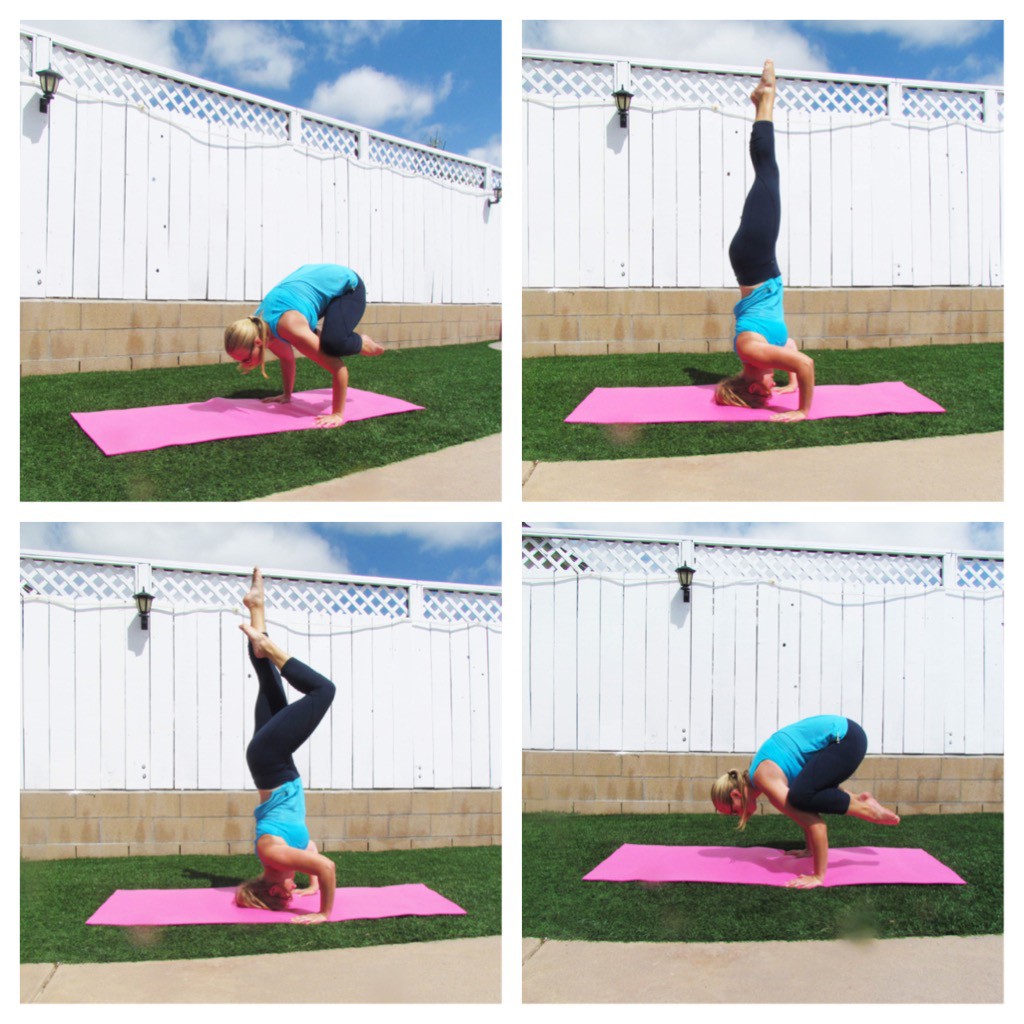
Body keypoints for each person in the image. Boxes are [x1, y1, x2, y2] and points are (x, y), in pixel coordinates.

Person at [234, 568, 338, 924]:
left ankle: (267, 644)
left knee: (324, 691)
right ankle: (256, 608)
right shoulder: (284, 855)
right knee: (270, 683)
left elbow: (326, 866)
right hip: (270, 763)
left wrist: (323, 912)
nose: (294, 896)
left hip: (272, 761)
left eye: (286, 896)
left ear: (276, 889)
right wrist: (310, 885)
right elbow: (312, 854)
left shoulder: (274, 853)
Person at [714, 60, 815, 423]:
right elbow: (795, 354)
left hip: (755, 259)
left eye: (765, 393)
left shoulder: (754, 350)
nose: (773, 393)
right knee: (767, 177)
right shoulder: (764, 353)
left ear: (754, 386)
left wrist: (802, 409)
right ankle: (762, 103)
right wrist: (789, 383)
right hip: (755, 260)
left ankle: (766, 99)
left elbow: (803, 364)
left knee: (768, 174)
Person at [710, 714, 900, 888]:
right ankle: (860, 800)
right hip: (846, 737)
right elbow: (803, 808)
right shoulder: (761, 771)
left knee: (800, 796)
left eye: (733, 811)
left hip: (846, 739)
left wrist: (818, 876)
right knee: (801, 796)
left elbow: (816, 824)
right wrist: (809, 850)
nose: (738, 815)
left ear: (736, 795)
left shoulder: (762, 777)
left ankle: (865, 809)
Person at [224, 264, 385, 429]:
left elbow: (339, 368)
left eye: (246, 359)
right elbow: (287, 359)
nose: (244, 365)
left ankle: (361, 342)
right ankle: (322, 333)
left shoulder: (288, 326)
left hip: (346, 285)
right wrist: (287, 395)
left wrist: (337, 413)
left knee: (334, 344)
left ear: (258, 343)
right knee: (319, 338)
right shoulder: (260, 328)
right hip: (310, 289)